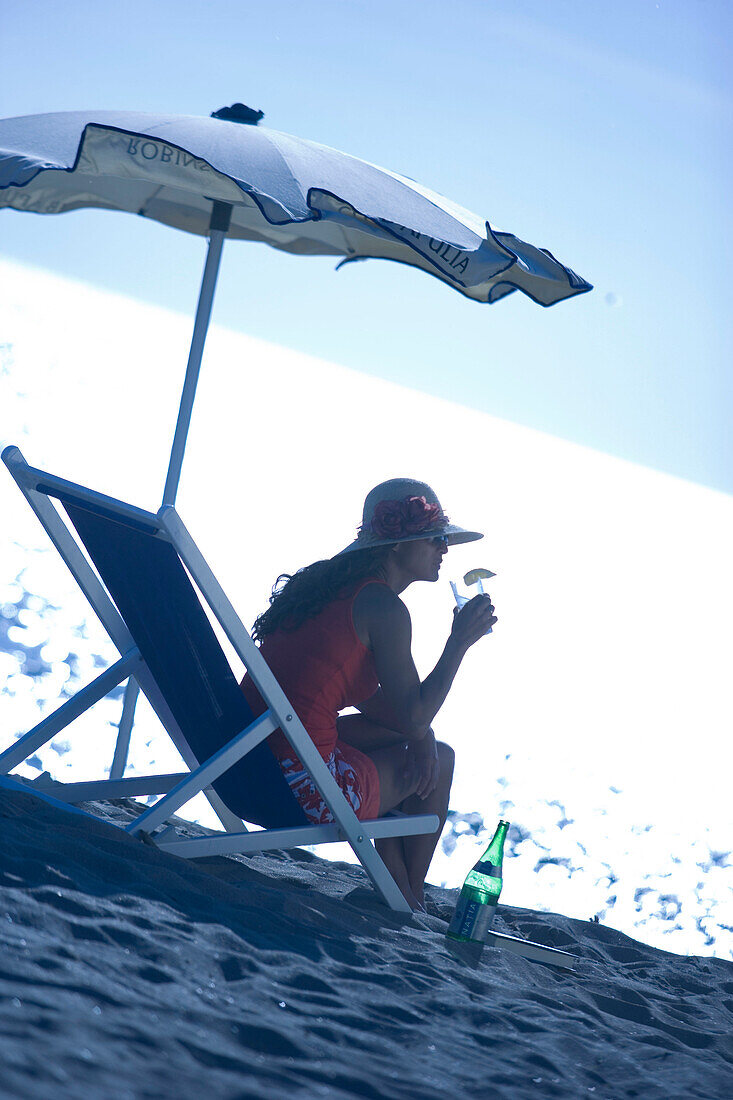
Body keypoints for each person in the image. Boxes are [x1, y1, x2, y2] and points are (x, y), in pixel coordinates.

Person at [241, 478, 497, 911]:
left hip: (249, 757)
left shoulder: (331, 587)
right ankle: (409, 896)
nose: (445, 549)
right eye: (435, 537)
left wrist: (422, 736)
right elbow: (413, 716)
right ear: (398, 545)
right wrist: (458, 643)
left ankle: (399, 887)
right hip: (302, 784)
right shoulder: (384, 608)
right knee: (443, 759)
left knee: (422, 745)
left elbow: (386, 709)